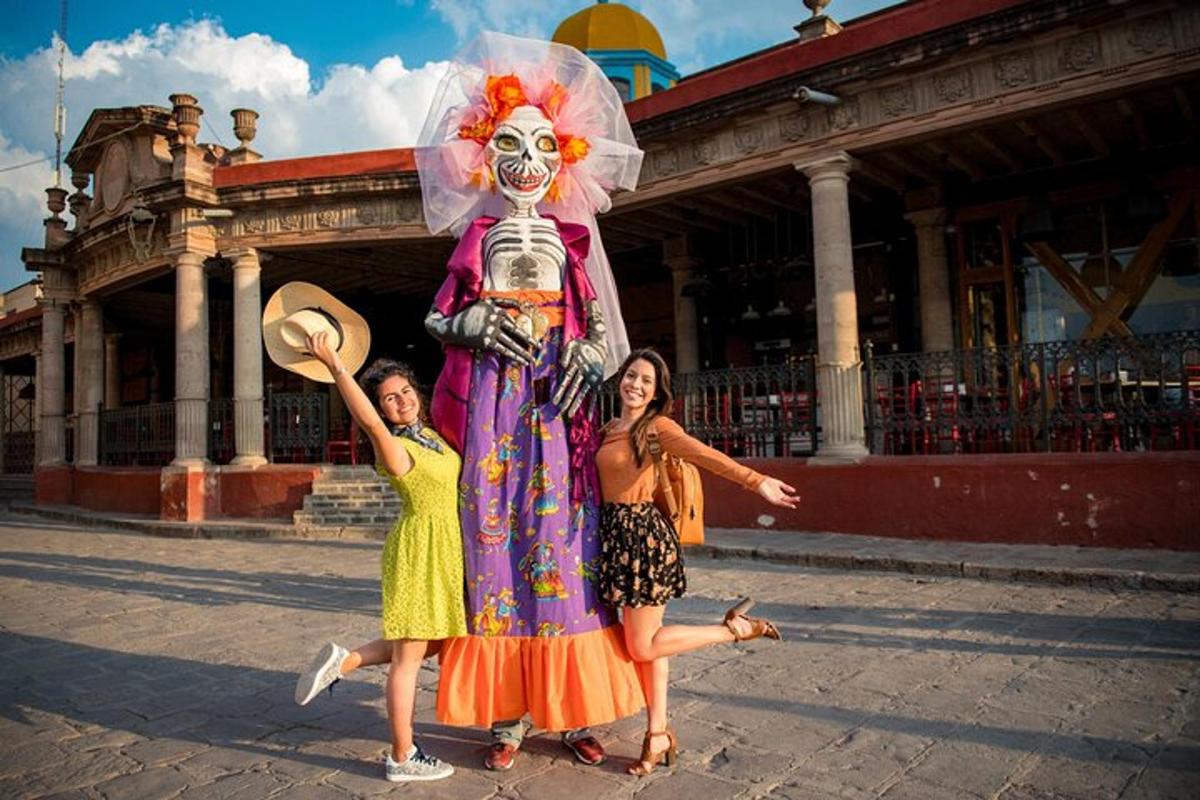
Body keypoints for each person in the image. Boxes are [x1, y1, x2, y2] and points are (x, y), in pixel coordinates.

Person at [414, 32, 645, 770]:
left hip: (556, 404)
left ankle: (572, 707)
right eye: (511, 144)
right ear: (485, 150)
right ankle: (508, 715)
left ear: (562, 158)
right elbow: (436, 317)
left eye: (544, 146)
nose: (527, 160)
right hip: (491, 400)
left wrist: (585, 349)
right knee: (493, 539)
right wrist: (470, 323)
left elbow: (599, 324)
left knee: (564, 542)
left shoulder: (568, 241)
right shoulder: (476, 239)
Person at [273, 283, 467, 783]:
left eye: (404, 392)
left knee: (436, 643)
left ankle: (346, 660)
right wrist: (338, 368)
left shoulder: (432, 438)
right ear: (379, 410)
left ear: (416, 393)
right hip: (420, 549)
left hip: (444, 548)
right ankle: (402, 755)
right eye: (388, 400)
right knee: (408, 659)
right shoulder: (394, 445)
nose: (399, 402)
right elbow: (370, 423)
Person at [595, 348, 801, 776]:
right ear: (621, 379)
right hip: (615, 539)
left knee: (642, 645)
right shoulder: (610, 428)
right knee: (648, 646)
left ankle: (735, 631)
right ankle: (657, 734)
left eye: (646, 381)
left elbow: (705, 455)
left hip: (644, 541)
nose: (635, 384)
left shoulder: (658, 427)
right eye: (631, 375)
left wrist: (757, 481)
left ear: (656, 393)